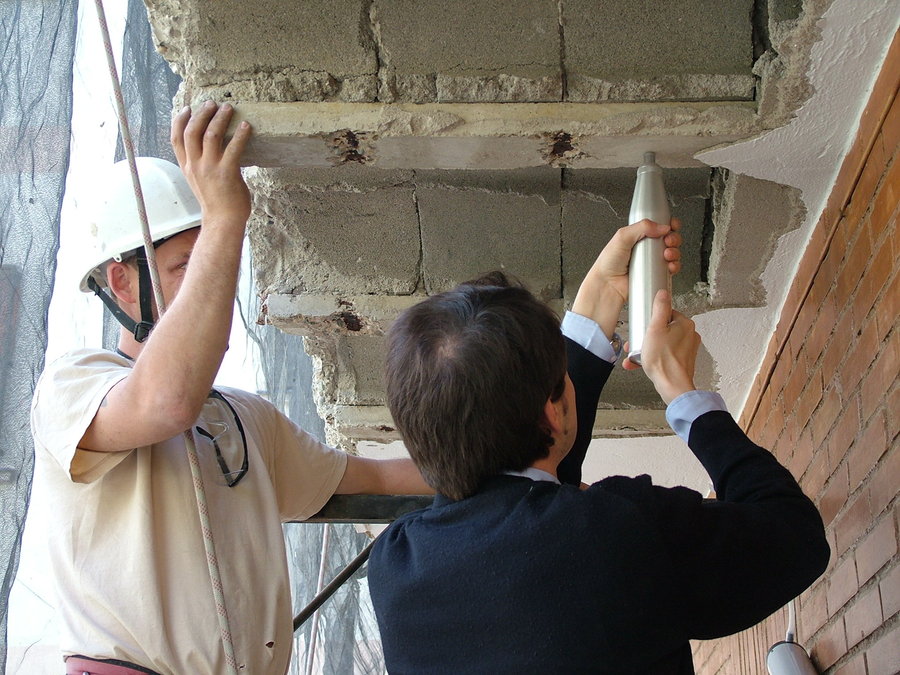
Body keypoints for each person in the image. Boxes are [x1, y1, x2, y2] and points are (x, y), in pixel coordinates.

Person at [30, 102, 429, 675]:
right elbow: (167, 402)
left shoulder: (245, 419)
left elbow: (379, 477)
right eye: (184, 266)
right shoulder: (75, 386)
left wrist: (522, 472)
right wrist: (224, 220)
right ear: (121, 282)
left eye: (212, 262)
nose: (212, 284)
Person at [368, 219, 830, 674]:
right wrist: (682, 392)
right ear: (551, 412)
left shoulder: (394, 567)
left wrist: (601, 301)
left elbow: (540, 518)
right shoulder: (623, 530)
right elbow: (795, 539)